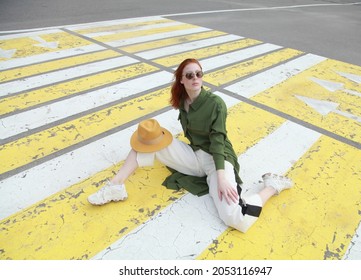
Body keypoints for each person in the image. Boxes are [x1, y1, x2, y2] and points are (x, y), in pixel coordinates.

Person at [88, 58, 293, 233]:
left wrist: (221, 177)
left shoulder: (215, 104)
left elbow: (218, 141)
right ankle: (116, 186)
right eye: (189, 75)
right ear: (181, 80)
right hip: (195, 157)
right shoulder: (183, 102)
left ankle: (272, 186)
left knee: (236, 219)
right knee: (147, 139)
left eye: (198, 74)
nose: (195, 78)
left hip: (217, 160)